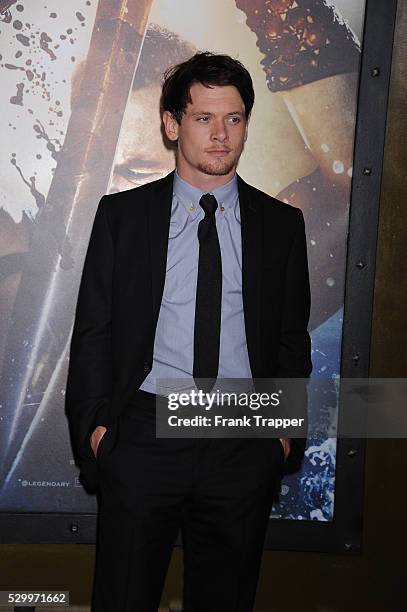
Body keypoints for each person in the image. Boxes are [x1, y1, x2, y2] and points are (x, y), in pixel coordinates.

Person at [65, 51, 312, 611]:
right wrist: (99, 431)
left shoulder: (281, 225)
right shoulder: (122, 217)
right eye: (204, 118)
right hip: (144, 432)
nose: (221, 135)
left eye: (235, 118)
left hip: (241, 434)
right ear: (172, 124)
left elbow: (291, 340)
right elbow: (94, 331)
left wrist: (281, 438)